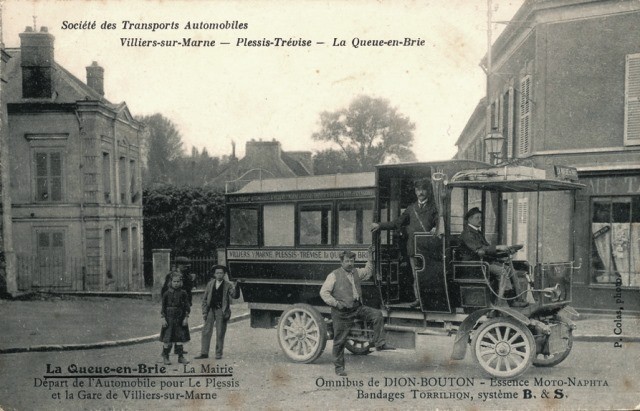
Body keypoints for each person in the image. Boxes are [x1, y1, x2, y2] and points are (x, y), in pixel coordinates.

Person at [320, 248, 395, 377]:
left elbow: (368, 271)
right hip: (341, 312)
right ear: (341, 262)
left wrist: (369, 258)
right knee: (340, 341)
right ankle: (339, 368)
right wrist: (336, 304)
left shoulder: (356, 272)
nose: (350, 263)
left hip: (357, 308)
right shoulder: (334, 275)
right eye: (347, 261)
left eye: (352, 260)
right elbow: (324, 293)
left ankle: (379, 343)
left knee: (377, 315)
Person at [370, 178, 438, 307]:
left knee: (429, 275)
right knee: (416, 274)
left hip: (429, 248)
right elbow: (397, 223)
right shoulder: (411, 209)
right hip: (414, 248)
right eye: (418, 190)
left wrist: (436, 227)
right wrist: (380, 225)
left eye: (423, 189)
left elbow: (439, 221)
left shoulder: (434, 207)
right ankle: (419, 299)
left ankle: (429, 299)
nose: (421, 192)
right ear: (415, 191)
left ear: (428, 191)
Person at [459, 207, 513, 306]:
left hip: (482, 262)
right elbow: (479, 249)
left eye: (480, 217)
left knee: (507, 268)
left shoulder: (477, 232)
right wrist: (498, 247)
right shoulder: (467, 234)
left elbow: (486, 247)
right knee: (502, 271)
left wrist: (500, 252)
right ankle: (500, 302)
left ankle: (508, 298)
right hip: (473, 264)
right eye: (477, 218)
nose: (480, 220)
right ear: (470, 219)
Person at [194, 265, 240, 360]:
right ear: (214, 274)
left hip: (221, 311)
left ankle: (218, 353)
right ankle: (204, 353)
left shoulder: (228, 285)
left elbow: (235, 296)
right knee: (206, 331)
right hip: (210, 310)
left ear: (224, 274)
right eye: (217, 273)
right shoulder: (210, 284)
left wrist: (237, 285)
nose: (219, 275)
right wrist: (204, 311)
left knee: (220, 332)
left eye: (221, 273)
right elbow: (205, 298)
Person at [160, 272, 190, 365]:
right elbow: (163, 308)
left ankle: (180, 357)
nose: (176, 283)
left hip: (180, 318)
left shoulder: (183, 293)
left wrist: (186, 318)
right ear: (170, 282)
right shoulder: (166, 294)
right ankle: (166, 356)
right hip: (169, 318)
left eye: (178, 281)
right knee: (167, 338)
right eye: (174, 281)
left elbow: (187, 307)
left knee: (179, 338)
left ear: (180, 282)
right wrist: (163, 319)